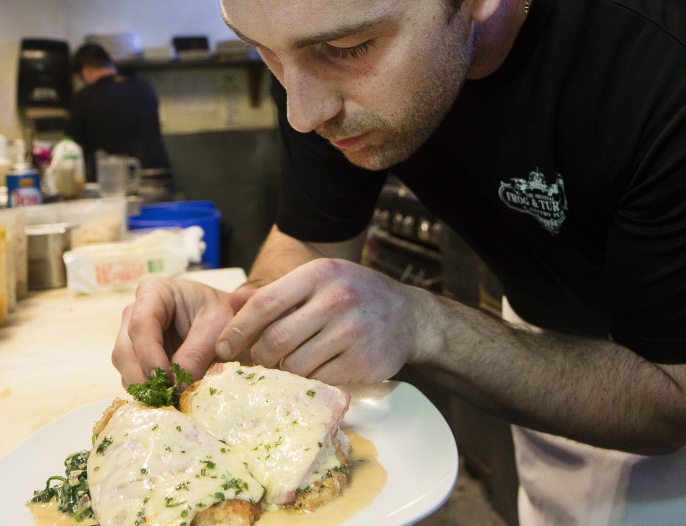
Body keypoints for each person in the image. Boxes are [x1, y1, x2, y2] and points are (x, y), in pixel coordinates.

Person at [112, 0, 686, 523]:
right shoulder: (314, 55)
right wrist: (244, 310)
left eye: (347, 50)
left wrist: (425, 324)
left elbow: (671, 400)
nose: (302, 114)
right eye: (263, 51)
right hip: (547, 362)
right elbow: (312, 240)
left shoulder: (656, 66)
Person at [67, 43, 170, 182]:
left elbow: (72, 146)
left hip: (115, 183)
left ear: (86, 71)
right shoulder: (145, 87)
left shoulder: (86, 95)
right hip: (157, 177)